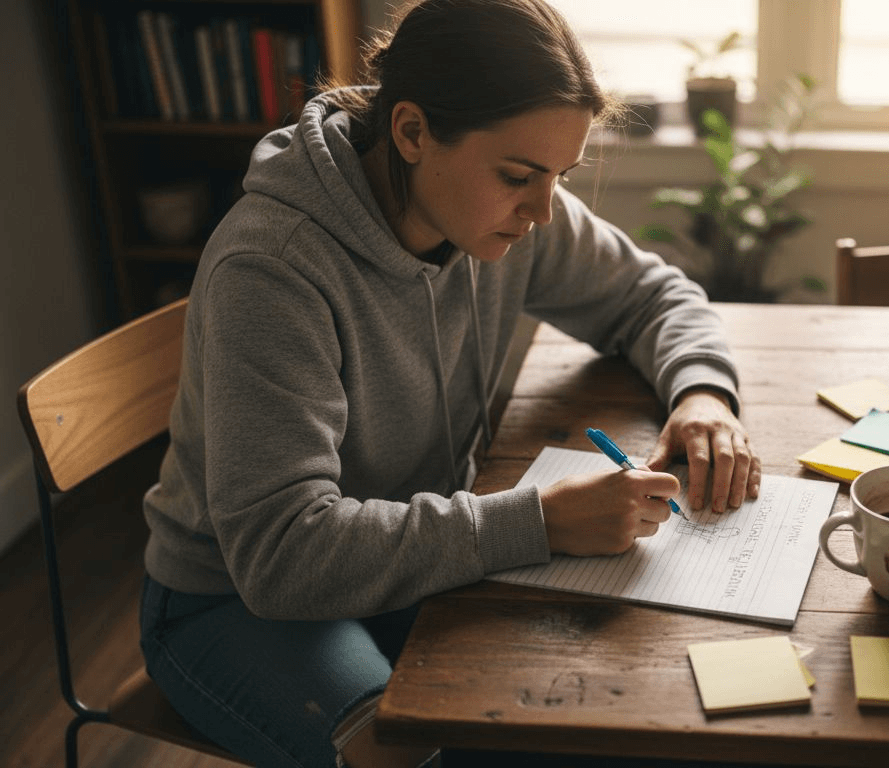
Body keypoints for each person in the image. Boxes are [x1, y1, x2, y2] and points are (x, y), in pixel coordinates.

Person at [137, 1, 761, 765]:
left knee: (598, 711)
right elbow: (282, 555)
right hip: (231, 601)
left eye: (560, 178)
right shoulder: (273, 269)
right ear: (411, 132)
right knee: (423, 753)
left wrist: (702, 392)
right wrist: (537, 523)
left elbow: (654, 295)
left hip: (413, 554)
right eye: (520, 177)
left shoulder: (507, 207)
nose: (542, 211)